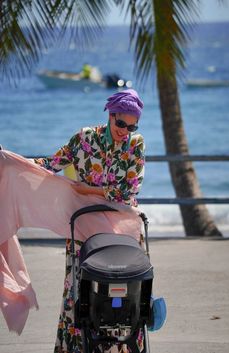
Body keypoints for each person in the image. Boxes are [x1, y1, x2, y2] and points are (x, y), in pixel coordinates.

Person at [34, 89, 145, 353]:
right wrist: (14, 161)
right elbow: (51, 164)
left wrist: (88, 191)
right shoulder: (84, 138)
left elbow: (130, 191)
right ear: (111, 114)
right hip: (83, 227)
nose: (125, 130)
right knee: (77, 291)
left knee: (125, 290)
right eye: (121, 123)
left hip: (121, 227)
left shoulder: (135, 144)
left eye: (132, 126)